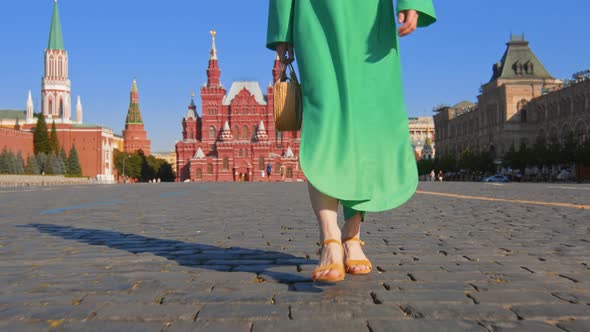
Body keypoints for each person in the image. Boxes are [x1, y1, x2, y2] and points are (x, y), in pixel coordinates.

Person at [267, 1, 436, 282]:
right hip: (315, 14)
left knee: (366, 127)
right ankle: (329, 238)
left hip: (371, 18)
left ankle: (352, 235)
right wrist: (281, 27)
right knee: (324, 119)